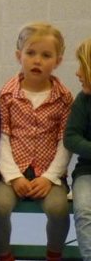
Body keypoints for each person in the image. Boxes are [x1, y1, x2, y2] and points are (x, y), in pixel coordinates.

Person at [0, 22, 73, 261]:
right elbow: (1, 138)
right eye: (31, 53)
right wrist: (13, 176)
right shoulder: (7, 94)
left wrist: (49, 178)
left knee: (58, 209)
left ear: (57, 61)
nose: (37, 60)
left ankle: (54, 253)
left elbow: (64, 142)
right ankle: (3, 253)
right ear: (19, 56)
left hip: (48, 173)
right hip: (11, 172)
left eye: (46, 55)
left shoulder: (64, 97)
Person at [64, 37, 91, 260]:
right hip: (87, 172)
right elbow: (71, 138)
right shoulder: (83, 101)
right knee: (83, 211)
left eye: (82, 66)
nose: (77, 73)